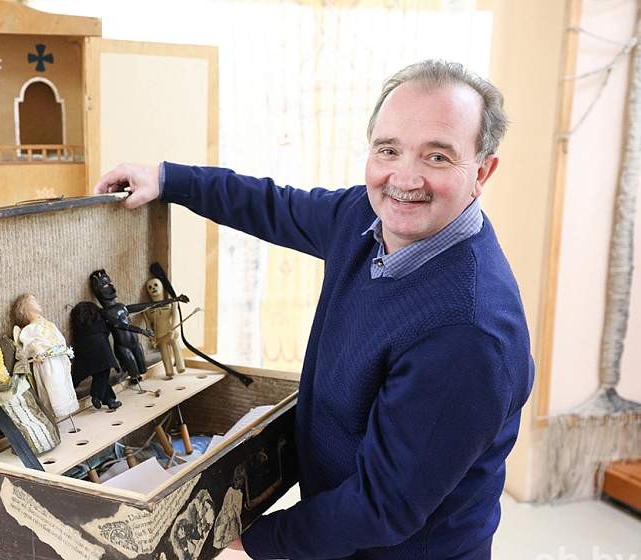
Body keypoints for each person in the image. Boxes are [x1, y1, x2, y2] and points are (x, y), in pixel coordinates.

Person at [93, 60, 534, 559]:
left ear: (482, 171)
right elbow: (275, 205)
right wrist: (168, 179)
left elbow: (382, 508)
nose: (404, 178)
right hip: (343, 533)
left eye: (437, 156)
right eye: (388, 150)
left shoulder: (468, 331)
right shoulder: (366, 218)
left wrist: (248, 542)